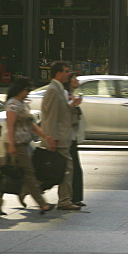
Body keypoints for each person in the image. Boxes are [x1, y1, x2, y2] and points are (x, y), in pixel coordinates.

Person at [0, 76, 55, 214]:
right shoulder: (12, 104)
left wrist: (45, 135)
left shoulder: (22, 104)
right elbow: (10, 126)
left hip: (22, 143)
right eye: (27, 89)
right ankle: (42, 203)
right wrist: (12, 146)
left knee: (5, 172)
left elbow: (31, 124)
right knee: (29, 173)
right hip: (15, 143)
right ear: (20, 89)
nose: (28, 92)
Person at [39, 61, 80, 211]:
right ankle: (64, 200)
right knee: (66, 170)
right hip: (59, 139)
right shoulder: (53, 90)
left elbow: (60, 113)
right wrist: (52, 138)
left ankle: (63, 199)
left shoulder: (58, 89)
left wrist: (71, 105)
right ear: (58, 73)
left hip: (61, 138)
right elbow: (50, 117)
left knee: (61, 170)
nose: (69, 74)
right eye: (66, 71)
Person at [67, 72, 87, 208]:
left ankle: (74, 198)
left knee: (73, 169)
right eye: (74, 78)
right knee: (73, 169)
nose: (77, 80)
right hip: (66, 137)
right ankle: (73, 199)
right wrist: (73, 105)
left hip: (71, 137)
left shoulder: (70, 94)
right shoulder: (65, 95)